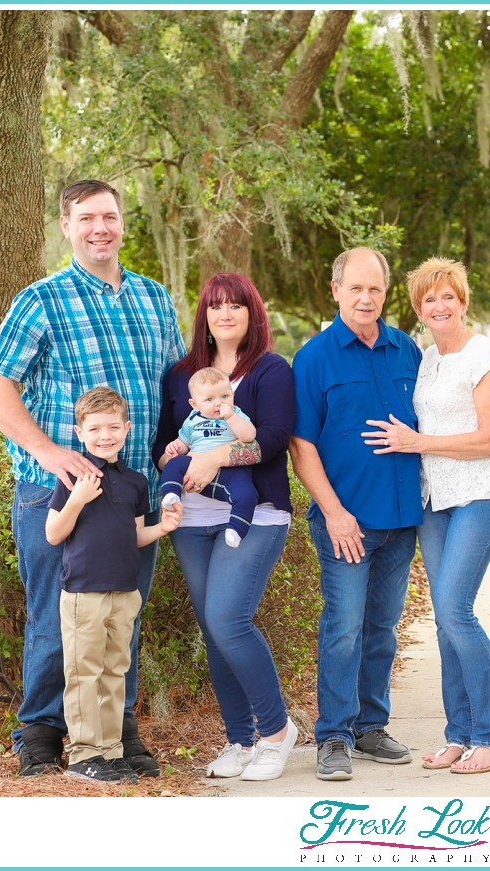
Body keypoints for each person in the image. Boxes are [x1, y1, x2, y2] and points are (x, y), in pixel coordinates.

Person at [0, 179, 185, 778]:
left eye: (111, 217)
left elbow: (173, 389)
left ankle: (118, 732)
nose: (101, 228)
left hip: (131, 490)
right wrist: (48, 453)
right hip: (61, 492)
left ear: (123, 224)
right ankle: (40, 733)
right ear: (65, 225)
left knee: (122, 612)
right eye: (87, 217)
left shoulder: (153, 297)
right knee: (54, 613)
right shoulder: (40, 300)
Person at [363, 257, 490, 775]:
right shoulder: (426, 359)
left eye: (447, 296)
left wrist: (416, 442)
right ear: (418, 309)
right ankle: (460, 733)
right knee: (446, 623)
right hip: (435, 500)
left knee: (455, 610)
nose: (439, 305)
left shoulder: (485, 357)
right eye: (429, 299)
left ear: (463, 300)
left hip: (478, 493)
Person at [153, 272, 299, 781]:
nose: (226, 313)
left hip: (255, 513)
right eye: (216, 306)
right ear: (205, 317)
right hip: (191, 518)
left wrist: (218, 457)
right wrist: (175, 456)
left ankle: (277, 733)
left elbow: (276, 439)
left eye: (236, 304)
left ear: (252, 312)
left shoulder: (271, 370)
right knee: (214, 632)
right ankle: (238, 741)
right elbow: (164, 440)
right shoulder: (182, 376)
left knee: (229, 621)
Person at [290, 247, 422, 781]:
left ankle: (370, 726)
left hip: (400, 518)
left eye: (375, 290)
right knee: (343, 627)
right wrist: (335, 512)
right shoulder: (315, 358)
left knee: (383, 627)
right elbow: (301, 444)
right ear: (336, 289)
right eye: (356, 289)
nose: (366, 298)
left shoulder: (406, 350)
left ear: (385, 294)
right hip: (346, 521)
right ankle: (334, 735)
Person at [44, 387, 183, 783]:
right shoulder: (73, 478)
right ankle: (83, 755)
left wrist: (162, 527)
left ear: (127, 428)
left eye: (112, 427)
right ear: (80, 432)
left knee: (113, 671)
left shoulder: (136, 483)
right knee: (84, 672)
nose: (105, 435)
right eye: (95, 428)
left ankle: (109, 751)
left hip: (124, 590)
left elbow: (133, 535)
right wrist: (78, 499)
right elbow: (54, 533)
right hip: (84, 592)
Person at [159, 366, 259, 548]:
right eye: (209, 399)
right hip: (195, 470)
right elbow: (184, 443)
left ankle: (236, 530)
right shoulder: (192, 420)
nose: (218, 403)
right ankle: (171, 495)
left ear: (232, 396)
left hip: (230, 471)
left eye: (224, 397)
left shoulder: (235, 414)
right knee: (173, 464)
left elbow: (249, 436)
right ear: (195, 404)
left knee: (248, 494)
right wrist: (176, 447)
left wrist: (231, 417)